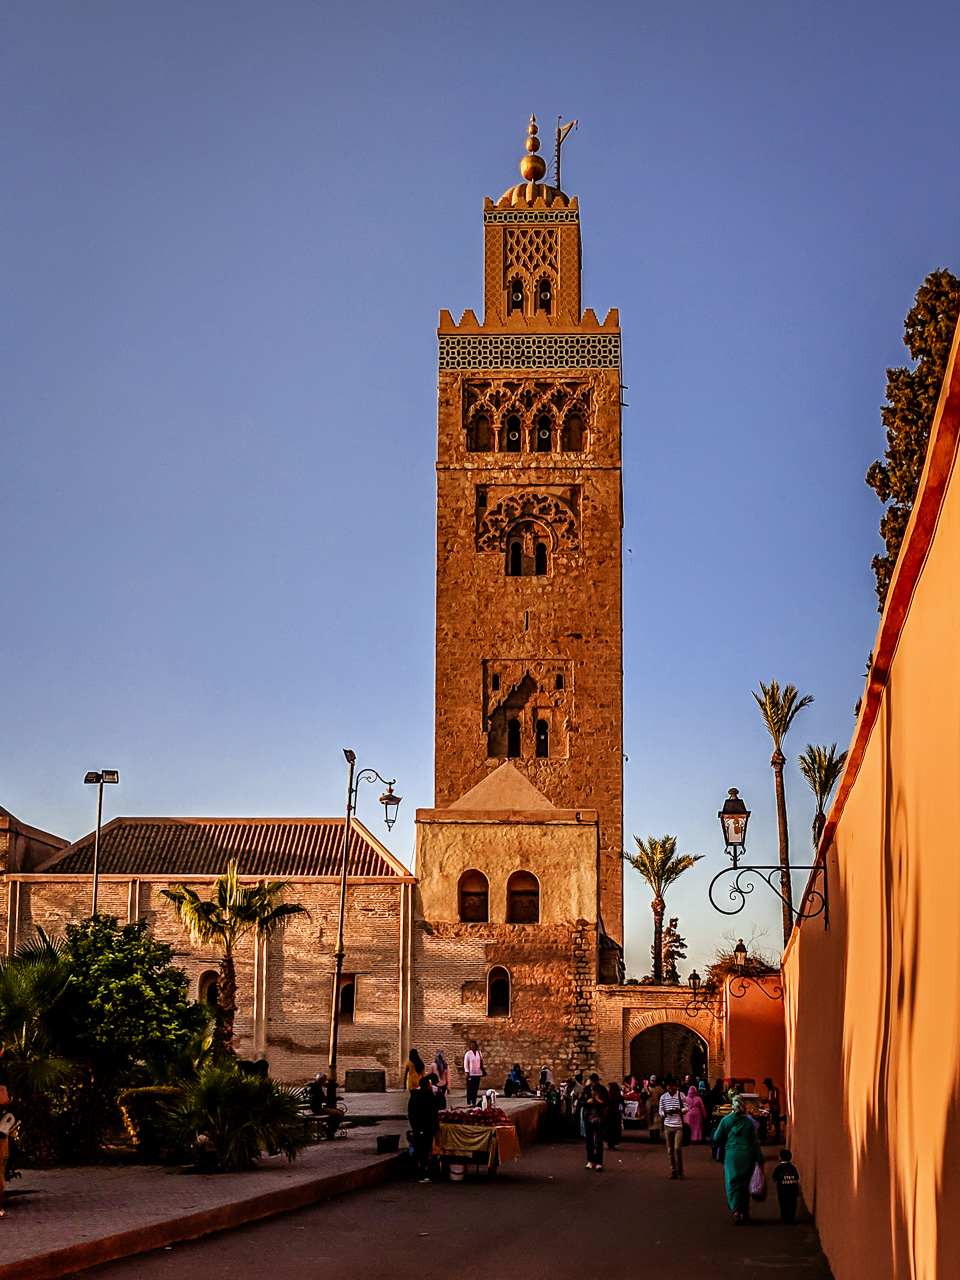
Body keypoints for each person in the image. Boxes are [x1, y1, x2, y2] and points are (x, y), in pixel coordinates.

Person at [713, 1095, 765, 1223]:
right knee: (745, 1184)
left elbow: (716, 1137)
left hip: (732, 1155)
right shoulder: (749, 1122)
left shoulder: (726, 1120)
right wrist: (760, 1160)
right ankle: (744, 1211)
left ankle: (736, 1210)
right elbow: (755, 1143)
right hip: (748, 1155)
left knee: (732, 1183)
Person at [408, 1076, 440, 1183]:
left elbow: (411, 1114)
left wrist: (415, 1127)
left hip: (418, 1128)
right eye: (430, 1085)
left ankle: (415, 1173)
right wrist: (439, 1093)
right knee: (424, 1151)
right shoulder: (429, 1097)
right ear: (427, 1086)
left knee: (418, 1151)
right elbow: (440, 1106)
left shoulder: (414, 1096)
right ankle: (422, 1174)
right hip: (427, 1128)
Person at [658, 1077, 689, 1178]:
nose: (671, 1090)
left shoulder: (681, 1095)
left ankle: (680, 1170)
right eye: (669, 1088)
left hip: (678, 1125)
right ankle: (673, 1170)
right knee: (670, 1150)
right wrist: (666, 1113)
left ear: (676, 1088)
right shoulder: (663, 1097)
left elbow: (687, 1107)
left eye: (673, 1089)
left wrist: (679, 1110)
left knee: (677, 1148)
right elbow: (660, 1111)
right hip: (667, 1125)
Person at [579, 1073, 609, 1170]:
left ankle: (599, 1162)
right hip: (588, 1117)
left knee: (599, 1141)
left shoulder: (602, 1089)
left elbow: (607, 1103)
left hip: (599, 1117)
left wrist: (601, 1102)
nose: (594, 1083)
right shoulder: (586, 1089)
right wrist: (587, 1102)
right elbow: (580, 1102)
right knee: (589, 1141)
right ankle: (590, 1160)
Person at [772, 1148, 801, 1223]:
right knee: (793, 1203)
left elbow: (774, 1178)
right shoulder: (792, 1167)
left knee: (783, 1204)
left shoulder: (779, 1168)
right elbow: (797, 1177)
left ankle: (784, 1218)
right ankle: (792, 1217)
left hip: (782, 1190)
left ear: (780, 1158)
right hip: (793, 1189)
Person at [463, 1040, 484, 1106]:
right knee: (470, 1088)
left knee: (475, 1088)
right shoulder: (468, 1053)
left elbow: (481, 1061)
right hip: (471, 1073)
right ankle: (469, 1102)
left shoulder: (479, 1053)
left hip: (478, 1073)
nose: (473, 1046)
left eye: (474, 1045)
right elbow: (466, 1063)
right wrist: (467, 1072)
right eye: (472, 1045)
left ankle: (474, 1102)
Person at [604, 1081, 624, 1150]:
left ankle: (610, 1143)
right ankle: (612, 1144)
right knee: (615, 1130)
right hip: (616, 1114)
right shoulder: (618, 1095)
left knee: (610, 1130)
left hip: (610, 1114)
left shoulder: (609, 1095)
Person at [763, 1077, 782, 1144]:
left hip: (776, 1108)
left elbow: (775, 1099)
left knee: (776, 1123)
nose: (766, 1086)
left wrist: (767, 1100)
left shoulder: (775, 1089)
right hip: (772, 1108)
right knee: (773, 1121)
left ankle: (777, 1138)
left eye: (767, 1084)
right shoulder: (769, 1090)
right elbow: (770, 1098)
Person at [645, 1076, 664, 1141]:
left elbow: (662, 1095)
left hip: (657, 1107)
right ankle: (652, 1137)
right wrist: (647, 1094)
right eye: (652, 1080)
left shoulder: (659, 1088)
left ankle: (657, 1136)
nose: (653, 1082)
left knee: (657, 1122)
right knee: (650, 1122)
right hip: (649, 1107)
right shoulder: (646, 1088)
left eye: (654, 1080)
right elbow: (642, 1096)